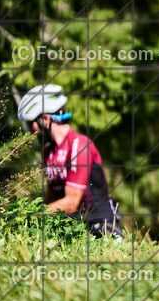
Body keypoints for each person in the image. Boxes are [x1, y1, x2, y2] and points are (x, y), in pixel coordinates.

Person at [17, 84, 123, 239]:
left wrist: (34, 215)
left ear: (44, 118)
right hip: (76, 229)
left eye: (30, 123)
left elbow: (72, 202)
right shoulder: (49, 153)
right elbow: (52, 199)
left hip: (103, 228)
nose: (30, 131)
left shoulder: (80, 146)